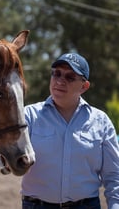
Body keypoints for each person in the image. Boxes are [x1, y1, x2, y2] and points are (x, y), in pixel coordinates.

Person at [21, 52, 119, 209]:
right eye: (56, 74)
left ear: (84, 86)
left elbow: (114, 175)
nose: (60, 81)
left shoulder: (101, 122)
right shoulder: (28, 116)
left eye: (70, 77)